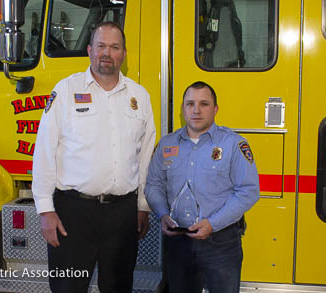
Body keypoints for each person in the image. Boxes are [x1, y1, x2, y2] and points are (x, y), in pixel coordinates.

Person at [32, 21, 156, 293]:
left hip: (122, 215)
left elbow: (146, 156)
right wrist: (45, 209)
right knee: (68, 287)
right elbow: (44, 151)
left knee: (118, 287)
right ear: (89, 50)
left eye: (114, 47)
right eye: (101, 46)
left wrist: (143, 206)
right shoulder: (65, 91)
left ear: (124, 53)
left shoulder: (140, 97)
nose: (106, 53)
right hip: (73, 214)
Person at [145, 81, 259, 293]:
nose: (196, 110)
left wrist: (213, 224)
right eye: (190, 104)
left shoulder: (233, 144)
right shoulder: (167, 144)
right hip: (178, 243)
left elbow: (248, 192)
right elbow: (153, 185)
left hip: (221, 244)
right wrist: (162, 214)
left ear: (215, 109)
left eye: (204, 104)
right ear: (182, 109)